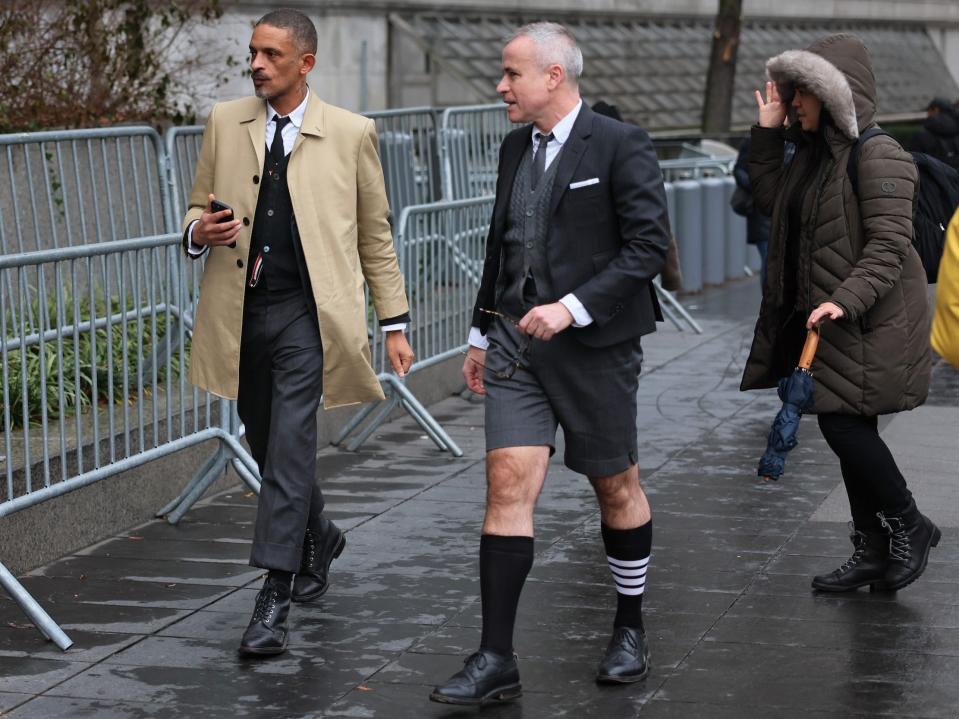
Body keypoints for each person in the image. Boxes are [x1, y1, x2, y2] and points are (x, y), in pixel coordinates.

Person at [430, 22, 670, 705]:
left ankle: (628, 626)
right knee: (506, 483)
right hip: (514, 344)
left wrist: (572, 306)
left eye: (510, 74)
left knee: (614, 486)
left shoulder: (619, 144)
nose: (499, 86)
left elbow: (648, 246)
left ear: (552, 78)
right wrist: (480, 332)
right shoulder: (515, 147)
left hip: (594, 348)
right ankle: (494, 656)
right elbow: (501, 245)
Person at [182, 9, 413, 656]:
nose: (256, 64)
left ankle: (272, 596)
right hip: (240, 312)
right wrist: (198, 230)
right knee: (266, 441)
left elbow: (374, 232)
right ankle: (321, 534)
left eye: (271, 55)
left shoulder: (349, 132)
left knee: (289, 445)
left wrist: (393, 321)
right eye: (252, 52)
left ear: (304, 64)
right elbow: (199, 203)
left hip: (307, 317)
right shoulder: (225, 121)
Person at [744, 33, 939, 594]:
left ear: (833, 95)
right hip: (832, 321)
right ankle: (871, 547)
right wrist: (766, 131)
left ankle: (908, 523)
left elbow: (888, 244)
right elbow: (770, 204)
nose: (793, 102)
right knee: (847, 421)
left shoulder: (880, 155)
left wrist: (843, 299)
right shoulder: (813, 158)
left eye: (801, 93)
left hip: (871, 318)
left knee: (841, 422)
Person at [733, 135, 771, 286]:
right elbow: (739, 170)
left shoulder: (798, 138)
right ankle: (770, 306)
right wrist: (758, 187)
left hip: (786, 214)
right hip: (762, 213)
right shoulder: (754, 140)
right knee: (769, 262)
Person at [910, 97, 959, 169]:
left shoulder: (922, 135)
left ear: (936, 110)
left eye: (929, 111)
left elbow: (913, 160)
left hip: (935, 177)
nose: (928, 114)